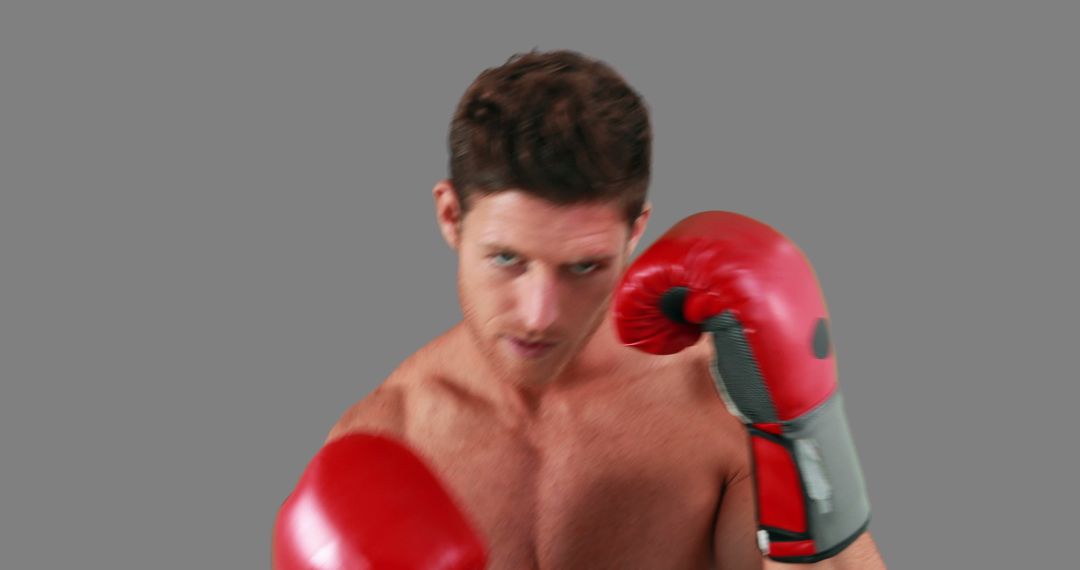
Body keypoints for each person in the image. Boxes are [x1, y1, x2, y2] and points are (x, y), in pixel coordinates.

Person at [273, 49, 887, 569]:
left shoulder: (717, 404)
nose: (541, 314)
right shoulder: (385, 441)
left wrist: (808, 429)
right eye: (508, 260)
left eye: (584, 267)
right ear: (450, 217)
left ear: (635, 233)